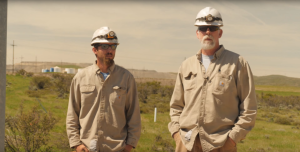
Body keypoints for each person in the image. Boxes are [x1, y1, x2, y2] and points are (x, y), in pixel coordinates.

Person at [168, 7, 257, 152]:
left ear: (220, 32)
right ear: (197, 33)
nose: (208, 32)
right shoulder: (186, 65)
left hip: (221, 144)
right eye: (203, 28)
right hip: (187, 143)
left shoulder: (238, 63)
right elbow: (176, 106)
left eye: (213, 28)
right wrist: (177, 134)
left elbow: (249, 109)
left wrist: (232, 140)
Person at [66, 26, 141, 152]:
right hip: (87, 148)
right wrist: (76, 144)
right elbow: (72, 114)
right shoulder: (81, 77)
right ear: (94, 49)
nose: (110, 50)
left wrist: (129, 145)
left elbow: (134, 115)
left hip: (117, 148)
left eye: (113, 46)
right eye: (105, 46)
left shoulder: (126, 78)